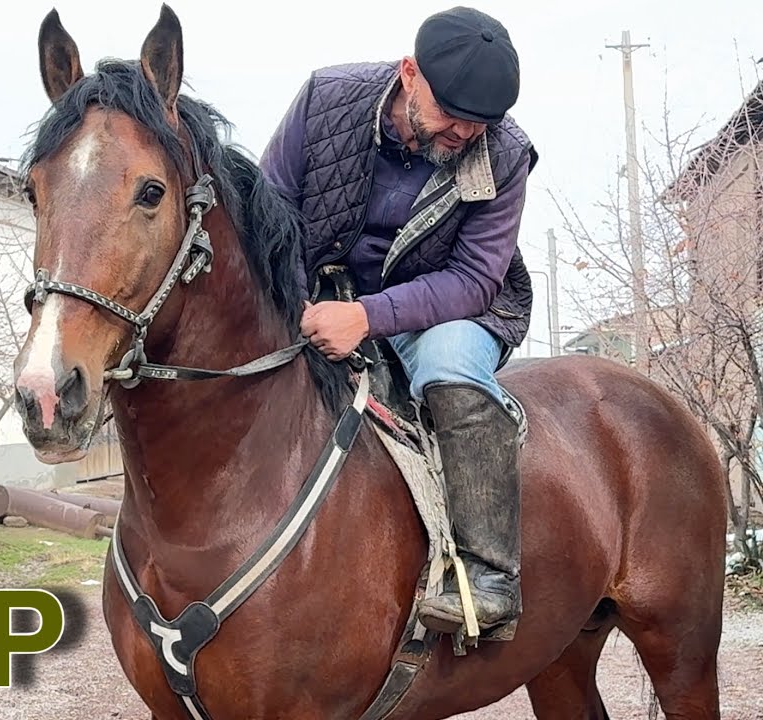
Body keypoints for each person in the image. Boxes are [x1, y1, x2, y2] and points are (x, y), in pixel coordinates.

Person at [259, 6, 537, 637]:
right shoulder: (325, 97)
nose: (465, 132)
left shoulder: (507, 154)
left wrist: (365, 317)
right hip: (321, 296)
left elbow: (474, 278)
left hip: (447, 302)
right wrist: (298, 302)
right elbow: (271, 207)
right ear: (410, 74)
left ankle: (489, 574)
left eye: (480, 123)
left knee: (448, 369)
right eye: (452, 114)